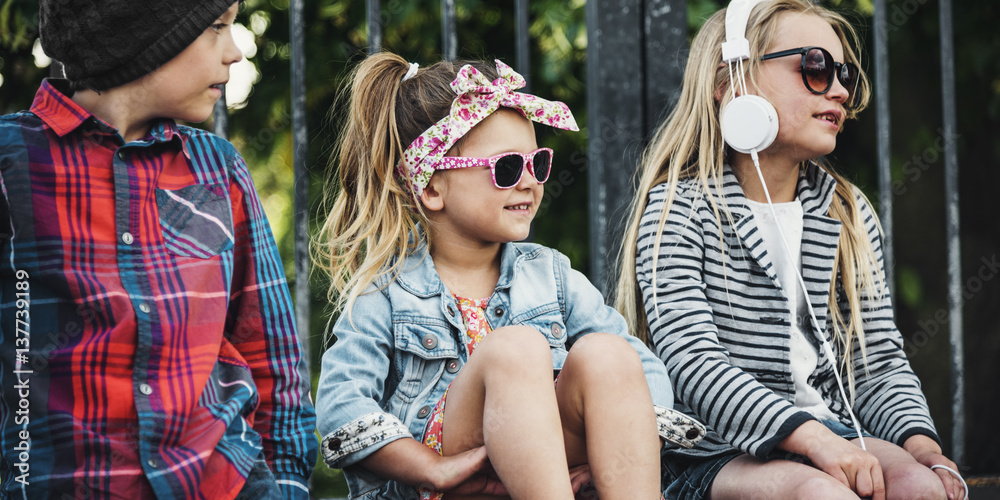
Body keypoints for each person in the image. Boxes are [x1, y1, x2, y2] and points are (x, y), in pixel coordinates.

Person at [614, 0, 967, 499]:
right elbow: (693, 363)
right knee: (819, 493)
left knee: (919, 487)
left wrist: (922, 447)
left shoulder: (846, 212)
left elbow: (878, 361)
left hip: (832, 433)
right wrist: (814, 441)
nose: (841, 89)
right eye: (815, 67)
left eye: (843, 73)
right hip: (712, 452)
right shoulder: (681, 210)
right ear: (731, 83)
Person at [313, 52, 704, 500]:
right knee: (516, 348)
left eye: (537, 163)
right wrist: (431, 470)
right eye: (505, 168)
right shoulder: (386, 292)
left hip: (539, 470)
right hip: (444, 477)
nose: (529, 182)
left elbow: (643, 370)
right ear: (431, 187)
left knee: (608, 354)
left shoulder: (551, 274)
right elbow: (342, 406)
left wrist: (609, 458)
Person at [0, 1, 316, 498]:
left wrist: (288, 486)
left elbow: (272, 360)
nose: (233, 52)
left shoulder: (218, 169)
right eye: (216, 27)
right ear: (142, 34)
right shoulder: (11, 163)